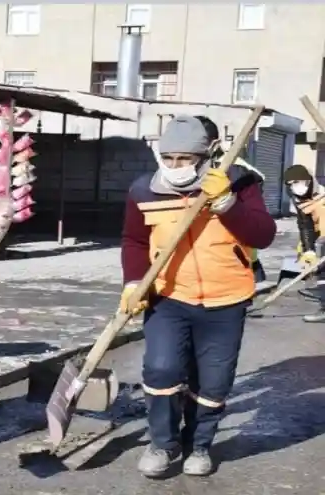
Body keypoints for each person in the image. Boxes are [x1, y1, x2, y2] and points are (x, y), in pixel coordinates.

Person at [120, 115, 276, 478]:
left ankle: (199, 445)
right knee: (161, 369)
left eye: (185, 159)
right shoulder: (144, 190)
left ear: (206, 156)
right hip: (168, 297)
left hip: (226, 299)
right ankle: (163, 444)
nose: (175, 166)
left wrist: (226, 203)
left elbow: (263, 235)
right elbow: (135, 240)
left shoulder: (238, 182)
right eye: (168, 158)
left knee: (213, 382)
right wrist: (133, 282)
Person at [194, 115, 267, 283]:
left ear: (213, 144)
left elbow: (257, 180)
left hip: (232, 256)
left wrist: (228, 201)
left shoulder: (235, 169)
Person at [282, 164, 325, 323]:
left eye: (297, 182)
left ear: (308, 180)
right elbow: (305, 225)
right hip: (321, 239)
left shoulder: (323, 194)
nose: (295, 186)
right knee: (321, 273)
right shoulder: (299, 200)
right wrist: (309, 249)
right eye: (290, 184)